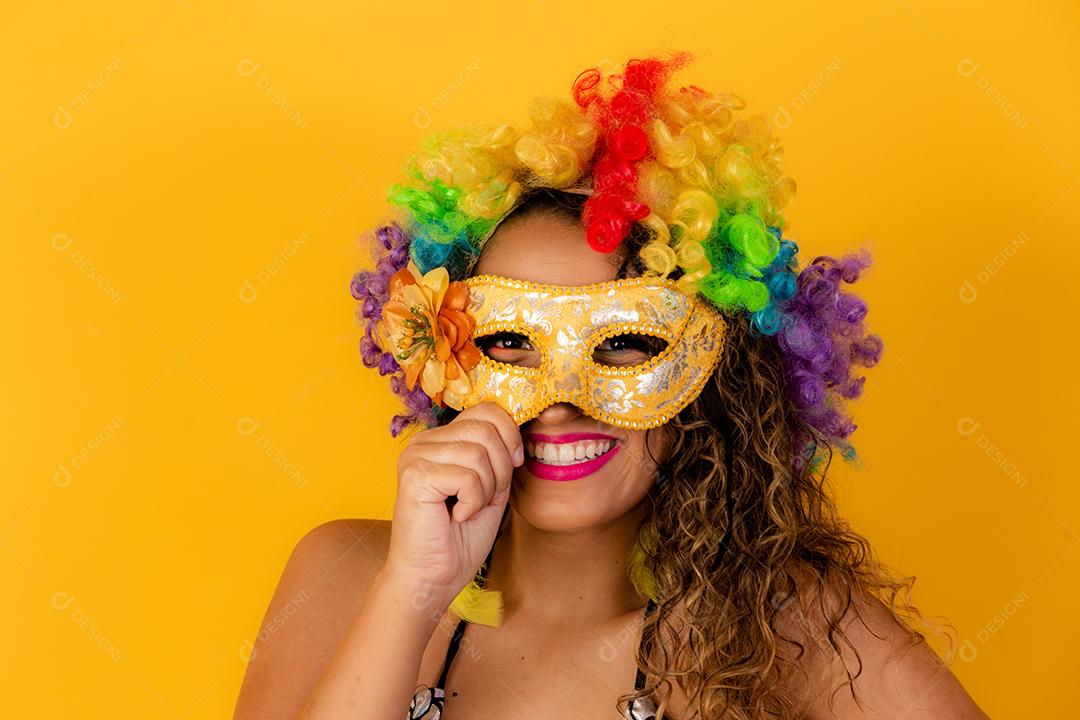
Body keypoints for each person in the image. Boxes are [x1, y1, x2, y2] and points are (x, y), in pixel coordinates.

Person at [233, 52, 991, 719]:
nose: (561, 400)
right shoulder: (342, 582)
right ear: (441, 348)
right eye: (508, 343)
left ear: (718, 367)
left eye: (626, 344)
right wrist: (412, 595)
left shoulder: (790, 632)